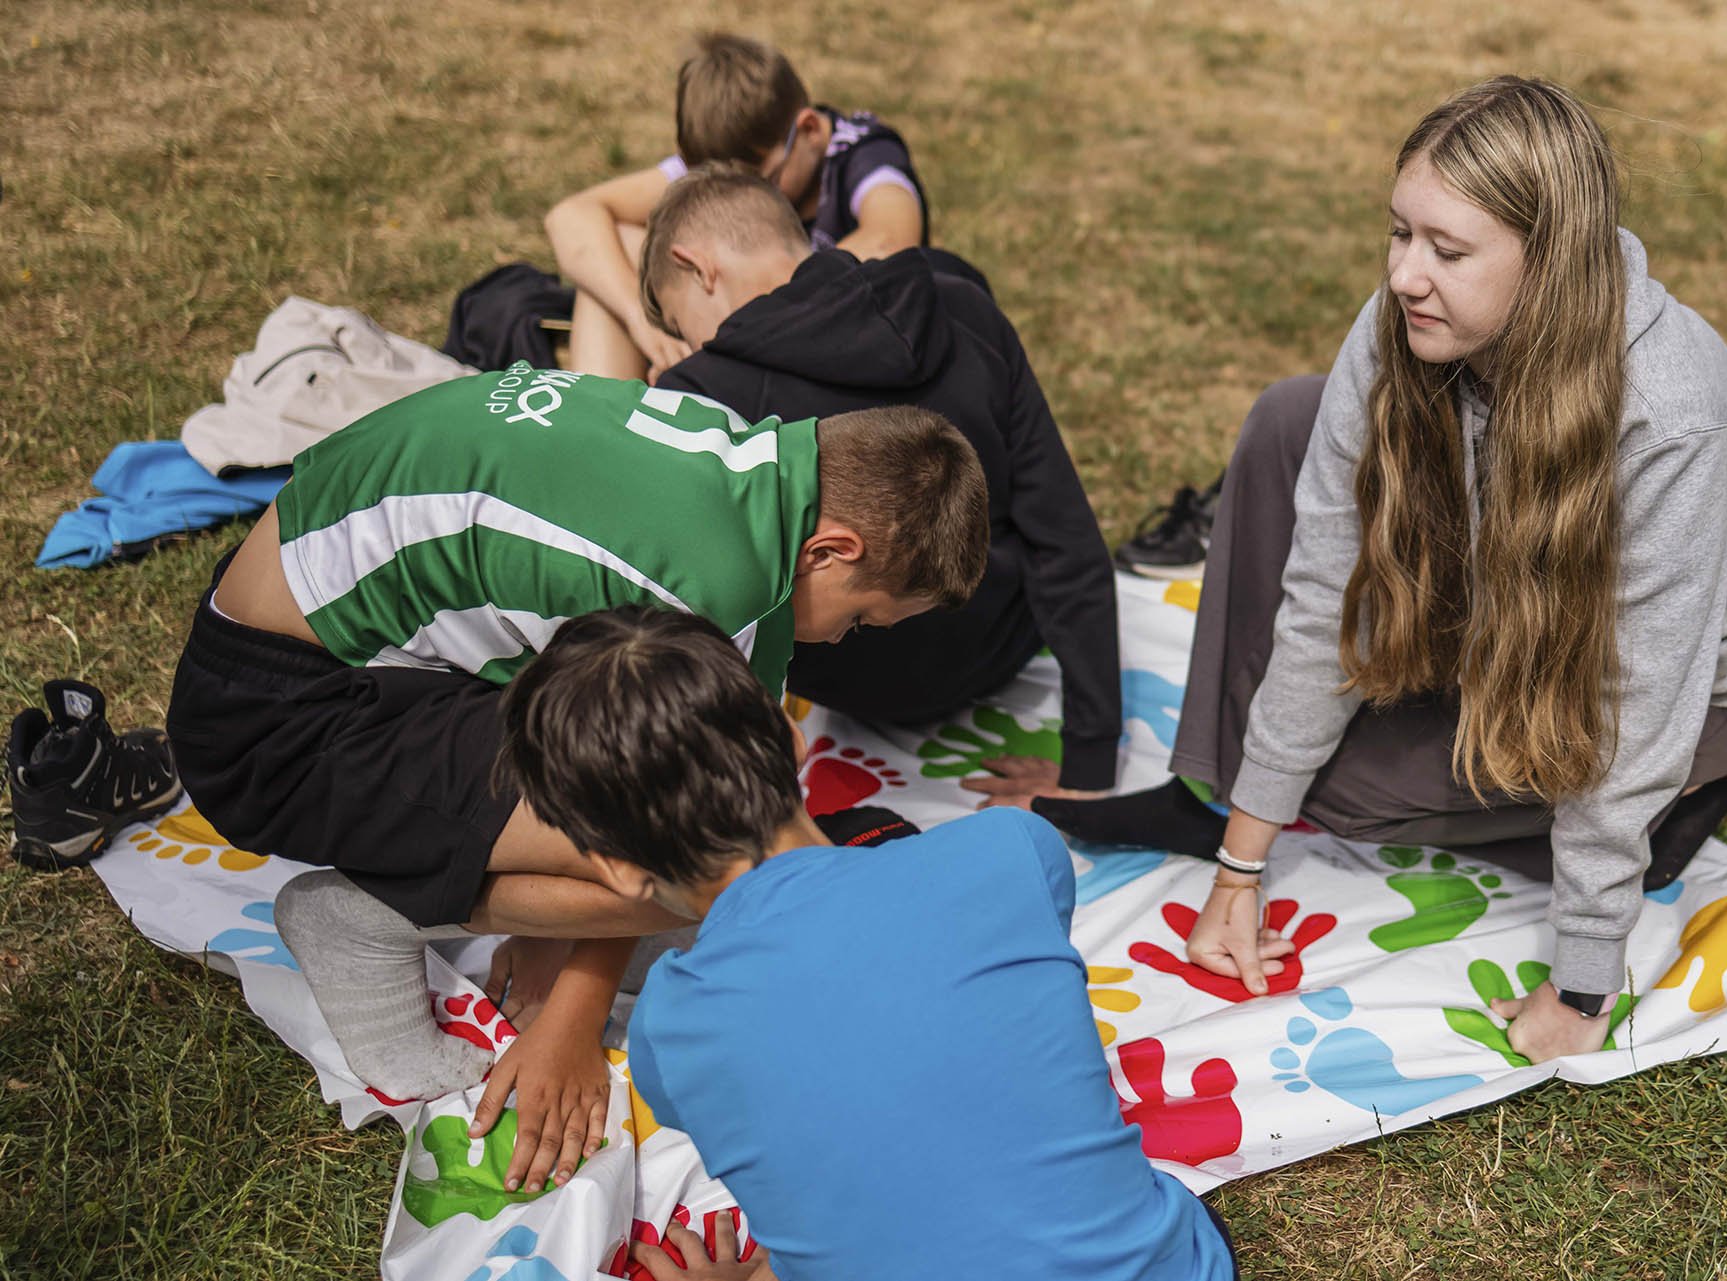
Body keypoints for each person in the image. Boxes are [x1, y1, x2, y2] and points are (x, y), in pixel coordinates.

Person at [1035, 76, 1727, 1066]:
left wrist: (1585, 975)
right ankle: (1213, 791)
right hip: (1518, 606)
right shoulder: (1405, 326)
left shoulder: (1672, 415)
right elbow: (1324, 598)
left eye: (1448, 252)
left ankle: (1669, 814)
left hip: (1701, 690)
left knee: (1341, 790)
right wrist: (1241, 862)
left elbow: (1637, 704)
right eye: (1399, 233)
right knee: (1290, 418)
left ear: (1551, 262)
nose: (1406, 276)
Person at [165, 367, 987, 1195]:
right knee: (717, 868)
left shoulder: (746, 463)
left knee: (721, 844)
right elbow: (667, 821)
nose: (841, 641)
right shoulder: (709, 585)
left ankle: (493, 889)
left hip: (313, 646)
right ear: (831, 550)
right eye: (859, 618)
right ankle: (358, 921)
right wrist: (572, 1018)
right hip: (273, 729)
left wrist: (553, 938)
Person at [501, 605, 1238, 1281]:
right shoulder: (1011, 848)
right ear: (792, 737)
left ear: (616, 867)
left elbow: (849, 1174)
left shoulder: (668, 1031)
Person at [627, 163, 1120, 801]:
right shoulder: (959, 303)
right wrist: (1089, 763)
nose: (689, 344)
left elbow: (683, 609)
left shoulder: (702, 396)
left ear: (696, 266)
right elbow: (1063, 534)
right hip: (999, 650)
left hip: (843, 685)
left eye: (678, 323)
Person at [545, 31, 929, 382]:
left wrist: (726, 337)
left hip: (840, 350)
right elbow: (572, 217)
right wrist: (639, 319)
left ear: (810, 130)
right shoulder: (738, 154)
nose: (747, 200)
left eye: (765, 182)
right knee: (622, 245)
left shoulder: (866, 154)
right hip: (744, 342)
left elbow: (889, 240)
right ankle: (595, 416)